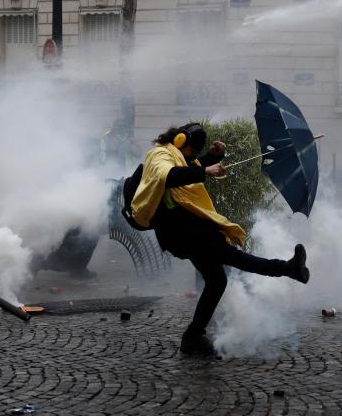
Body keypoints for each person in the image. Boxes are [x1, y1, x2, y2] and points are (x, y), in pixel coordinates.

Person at [131, 122, 310, 357]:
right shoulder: (159, 155)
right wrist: (204, 170)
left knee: (217, 280)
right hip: (181, 234)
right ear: (179, 141)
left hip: (189, 231)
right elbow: (171, 176)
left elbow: (187, 164)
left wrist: (211, 157)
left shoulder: (176, 155)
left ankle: (192, 338)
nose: (193, 157)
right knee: (234, 258)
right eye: (193, 152)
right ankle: (287, 268)